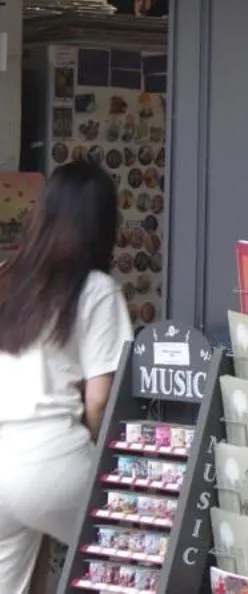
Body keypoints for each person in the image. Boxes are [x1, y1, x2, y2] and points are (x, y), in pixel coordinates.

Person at [0, 163, 132, 594]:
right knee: (135, 558)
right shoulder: (96, 290)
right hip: (52, 461)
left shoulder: (10, 282)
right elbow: (100, 400)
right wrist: (99, 453)